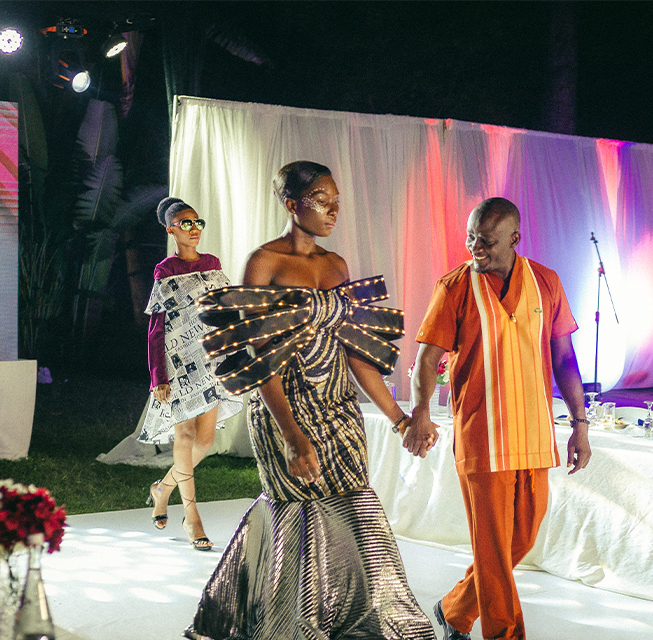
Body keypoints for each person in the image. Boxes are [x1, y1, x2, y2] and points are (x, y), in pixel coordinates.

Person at [185, 162, 433, 639]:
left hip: (338, 406)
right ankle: (286, 626)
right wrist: (292, 434)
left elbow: (357, 352)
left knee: (356, 510)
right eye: (322, 199)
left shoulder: (335, 265)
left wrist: (399, 418)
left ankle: (372, 618)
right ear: (291, 203)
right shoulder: (265, 263)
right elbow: (260, 357)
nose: (334, 210)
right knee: (295, 513)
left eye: (337, 200)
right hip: (283, 408)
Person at [404, 197, 591, 640]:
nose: (474, 247)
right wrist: (421, 413)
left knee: (518, 542)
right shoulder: (454, 287)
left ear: (514, 238)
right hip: (481, 437)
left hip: (534, 435)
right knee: (492, 552)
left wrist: (580, 426)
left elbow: (564, 358)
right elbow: (428, 359)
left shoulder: (546, 281)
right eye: (470, 237)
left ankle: (453, 609)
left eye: (485, 240)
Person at [143, 197, 242, 551]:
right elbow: (157, 325)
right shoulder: (165, 270)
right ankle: (191, 516)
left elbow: (224, 310)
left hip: (210, 361)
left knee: (205, 442)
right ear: (171, 229)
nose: (194, 229)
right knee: (183, 436)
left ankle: (162, 489)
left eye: (197, 222)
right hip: (177, 362)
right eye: (185, 223)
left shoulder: (212, 264)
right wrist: (159, 377)